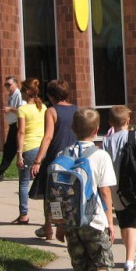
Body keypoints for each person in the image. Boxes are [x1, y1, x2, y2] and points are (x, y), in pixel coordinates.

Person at [60, 108, 115, 271]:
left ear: (73, 129)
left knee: (80, 266)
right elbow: (105, 193)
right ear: (96, 130)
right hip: (93, 220)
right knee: (104, 263)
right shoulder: (100, 155)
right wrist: (110, 222)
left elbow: (61, 191)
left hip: (71, 221)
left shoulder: (65, 153)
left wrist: (61, 223)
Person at [101, 106, 136, 271]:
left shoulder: (106, 141)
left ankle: (132, 252)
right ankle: (129, 264)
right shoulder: (134, 135)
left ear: (110, 123)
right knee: (133, 225)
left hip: (114, 188)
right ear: (128, 121)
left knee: (124, 221)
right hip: (132, 186)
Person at [29, 79, 78, 241]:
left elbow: (48, 136)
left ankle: (51, 226)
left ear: (51, 95)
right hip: (73, 157)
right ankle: (58, 224)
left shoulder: (51, 111)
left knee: (50, 194)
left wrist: (37, 161)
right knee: (68, 192)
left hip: (55, 157)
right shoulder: (76, 110)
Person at [13, 79, 46, 225]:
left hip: (29, 148)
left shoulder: (23, 109)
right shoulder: (43, 107)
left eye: (21, 91)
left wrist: (19, 153)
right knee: (45, 182)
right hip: (43, 148)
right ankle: (50, 217)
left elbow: (21, 132)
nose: (20, 93)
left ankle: (24, 215)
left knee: (24, 183)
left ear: (26, 92)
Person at [0, 76, 25, 181]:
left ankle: (0, 173)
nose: (7, 86)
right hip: (13, 125)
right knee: (10, 149)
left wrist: (10, 109)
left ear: (16, 84)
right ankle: (0, 172)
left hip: (17, 124)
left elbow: (21, 110)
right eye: (6, 84)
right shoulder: (11, 96)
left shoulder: (19, 95)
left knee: (10, 149)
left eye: (9, 84)